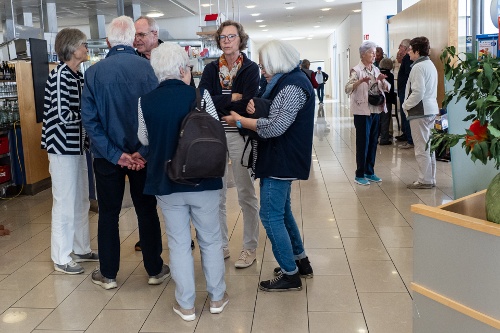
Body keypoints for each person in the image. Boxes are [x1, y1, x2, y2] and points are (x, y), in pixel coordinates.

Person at [138, 42, 228, 321]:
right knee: (210, 240)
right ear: (181, 69)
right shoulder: (200, 97)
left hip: (167, 181)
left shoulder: (145, 101)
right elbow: (216, 131)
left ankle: (186, 304)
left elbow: (144, 139)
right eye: (187, 66)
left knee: (178, 243)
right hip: (204, 179)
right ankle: (216, 297)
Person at [81, 16, 169, 290]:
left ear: (108, 42)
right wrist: (140, 152)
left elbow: (90, 121)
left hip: (106, 158)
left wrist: (115, 154)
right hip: (144, 158)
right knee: (146, 210)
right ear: (133, 40)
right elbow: (157, 115)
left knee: (108, 213)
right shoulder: (149, 69)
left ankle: (108, 274)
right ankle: (154, 269)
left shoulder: (93, 73)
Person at [223, 40, 315, 292]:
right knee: (282, 212)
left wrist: (241, 121)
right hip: (281, 156)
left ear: (277, 63)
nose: (262, 70)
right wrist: (257, 107)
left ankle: (289, 274)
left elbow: (275, 126)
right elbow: (274, 114)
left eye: (265, 66)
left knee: (270, 215)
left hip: (281, 158)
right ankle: (300, 261)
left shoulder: (292, 86)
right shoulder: (287, 81)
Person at [199, 20, 260, 269]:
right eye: (223, 37)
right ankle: (222, 244)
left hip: (239, 133)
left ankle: (249, 247)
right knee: (217, 194)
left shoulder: (250, 68)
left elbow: (246, 101)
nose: (226, 41)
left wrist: (223, 101)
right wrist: (230, 98)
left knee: (245, 193)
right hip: (214, 134)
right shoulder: (211, 69)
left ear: (240, 39)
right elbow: (202, 99)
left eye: (231, 36)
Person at [133, 15, 195, 252]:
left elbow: (190, 98)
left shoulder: (173, 57)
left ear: (154, 34)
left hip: (176, 141)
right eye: (135, 35)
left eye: (141, 34)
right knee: (148, 199)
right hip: (145, 143)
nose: (136, 40)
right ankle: (150, 238)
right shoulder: (133, 61)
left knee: (179, 193)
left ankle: (183, 236)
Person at [41, 28, 98, 275]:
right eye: (84, 45)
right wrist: (92, 117)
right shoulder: (60, 76)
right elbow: (64, 115)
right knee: (64, 203)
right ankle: (61, 257)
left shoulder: (77, 76)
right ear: (73, 49)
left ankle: (81, 248)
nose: (87, 49)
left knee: (81, 200)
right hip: (62, 148)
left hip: (77, 148)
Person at [345, 41, 390, 186]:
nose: (374, 55)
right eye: (372, 52)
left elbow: (387, 88)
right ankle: (359, 174)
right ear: (363, 54)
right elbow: (348, 88)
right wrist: (360, 81)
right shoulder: (356, 70)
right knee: (363, 143)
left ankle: (370, 171)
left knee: (372, 142)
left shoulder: (375, 69)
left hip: (375, 109)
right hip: (362, 111)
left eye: (375, 52)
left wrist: (382, 82)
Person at [402, 37, 439, 189]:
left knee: (421, 147)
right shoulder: (429, 64)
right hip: (430, 110)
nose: (408, 52)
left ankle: (425, 180)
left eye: (410, 49)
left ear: (417, 51)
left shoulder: (418, 67)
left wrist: (405, 105)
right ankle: (430, 178)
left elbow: (418, 92)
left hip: (420, 112)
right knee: (428, 146)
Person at [396, 39, 415, 149]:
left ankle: (410, 139)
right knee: (404, 114)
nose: (399, 49)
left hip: (405, 91)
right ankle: (406, 135)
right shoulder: (406, 58)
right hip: (403, 90)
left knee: (406, 114)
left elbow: (409, 75)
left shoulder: (408, 58)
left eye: (401, 47)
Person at [378, 58, 395, 145]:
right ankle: (384, 139)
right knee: (385, 120)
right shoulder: (390, 75)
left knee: (378, 120)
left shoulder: (377, 73)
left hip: (377, 100)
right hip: (386, 100)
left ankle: (376, 137)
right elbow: (390, 89)